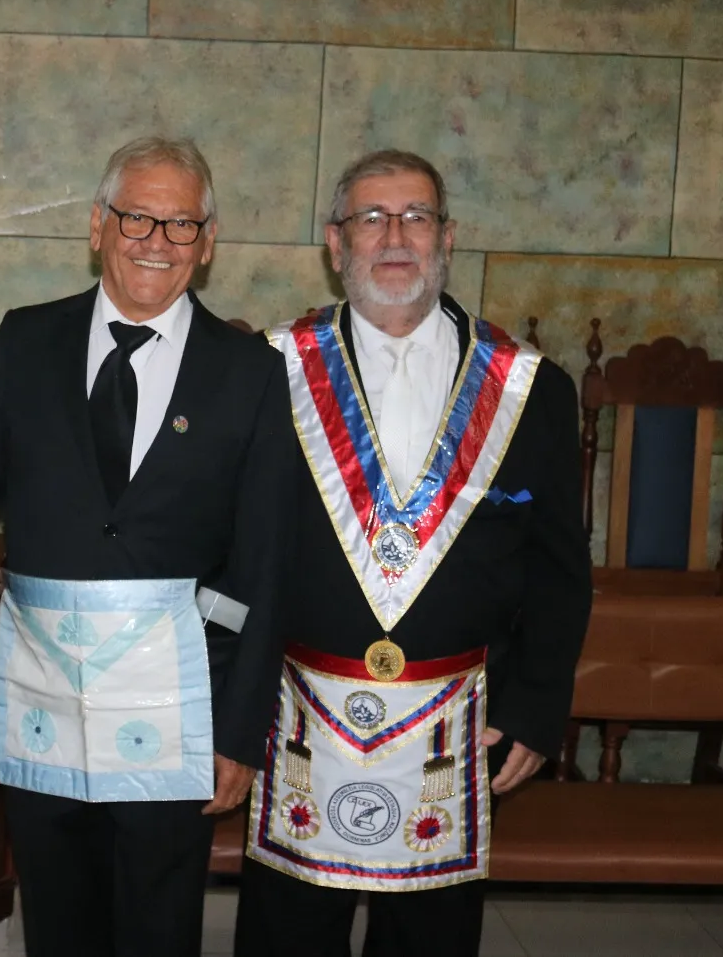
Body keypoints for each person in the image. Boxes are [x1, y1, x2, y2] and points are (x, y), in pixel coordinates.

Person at [235, 150, 593, 957]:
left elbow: (559, 573)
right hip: (298, 726)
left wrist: (536, 708)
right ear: (336, 242)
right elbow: (229, 553)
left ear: (447, 237)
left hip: (457, 735)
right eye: (372, 218)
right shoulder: (267, 369)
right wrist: (232, 711)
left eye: (416, 217)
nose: (395, 237)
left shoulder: (529, 388)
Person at [0, 136, 297, 957]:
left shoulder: (250, 372)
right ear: (98, 226)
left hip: (180, 712)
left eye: (182, 223)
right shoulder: (25, 342)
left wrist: (239, 732)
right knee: (57, 926)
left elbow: (264, 562)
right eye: (137, 218)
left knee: (158, 929)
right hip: (40, 704)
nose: (158, 240)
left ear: (208, 242)